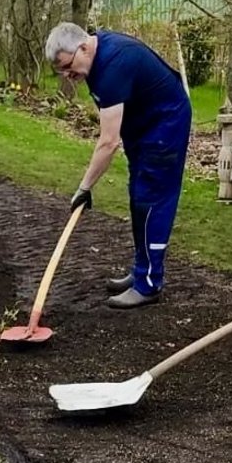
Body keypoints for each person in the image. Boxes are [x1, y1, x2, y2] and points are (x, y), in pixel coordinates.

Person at [44, 22, 192, 309]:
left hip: (165, 125)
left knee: (151, 200)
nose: (67, 75)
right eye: (61, 71)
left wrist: (84, 187)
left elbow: (108, 142)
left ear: (83, 47)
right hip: (143, 127)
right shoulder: (95, 61)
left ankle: (148, 284)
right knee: (138, 197)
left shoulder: (114, 64)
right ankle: (141, 270)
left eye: (67, 66)